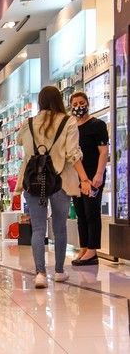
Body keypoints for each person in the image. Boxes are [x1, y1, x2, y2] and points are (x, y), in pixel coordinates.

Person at [13, 85, 90, 289]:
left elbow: (19, 141)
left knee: (38, 228)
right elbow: (73, 154)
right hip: (60, 180)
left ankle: (39, 273)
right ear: (59, 100)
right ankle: (58, 271)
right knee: (60, 227)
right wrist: (84, 179)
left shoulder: (29, 123)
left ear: (40, 102)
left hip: (34, 181)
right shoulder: (68, 121)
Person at [69, 91, 109, 266]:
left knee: (92, 211)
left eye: (81, 102)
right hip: (77, 177)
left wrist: (99, 174)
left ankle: (93, 250)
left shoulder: (97, 125)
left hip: (93, 176)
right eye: (75, 104)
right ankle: (84, 246)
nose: (79, 106)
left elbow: (103, 151)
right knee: (80, 213)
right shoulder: (72, 128)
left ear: (87, 103)